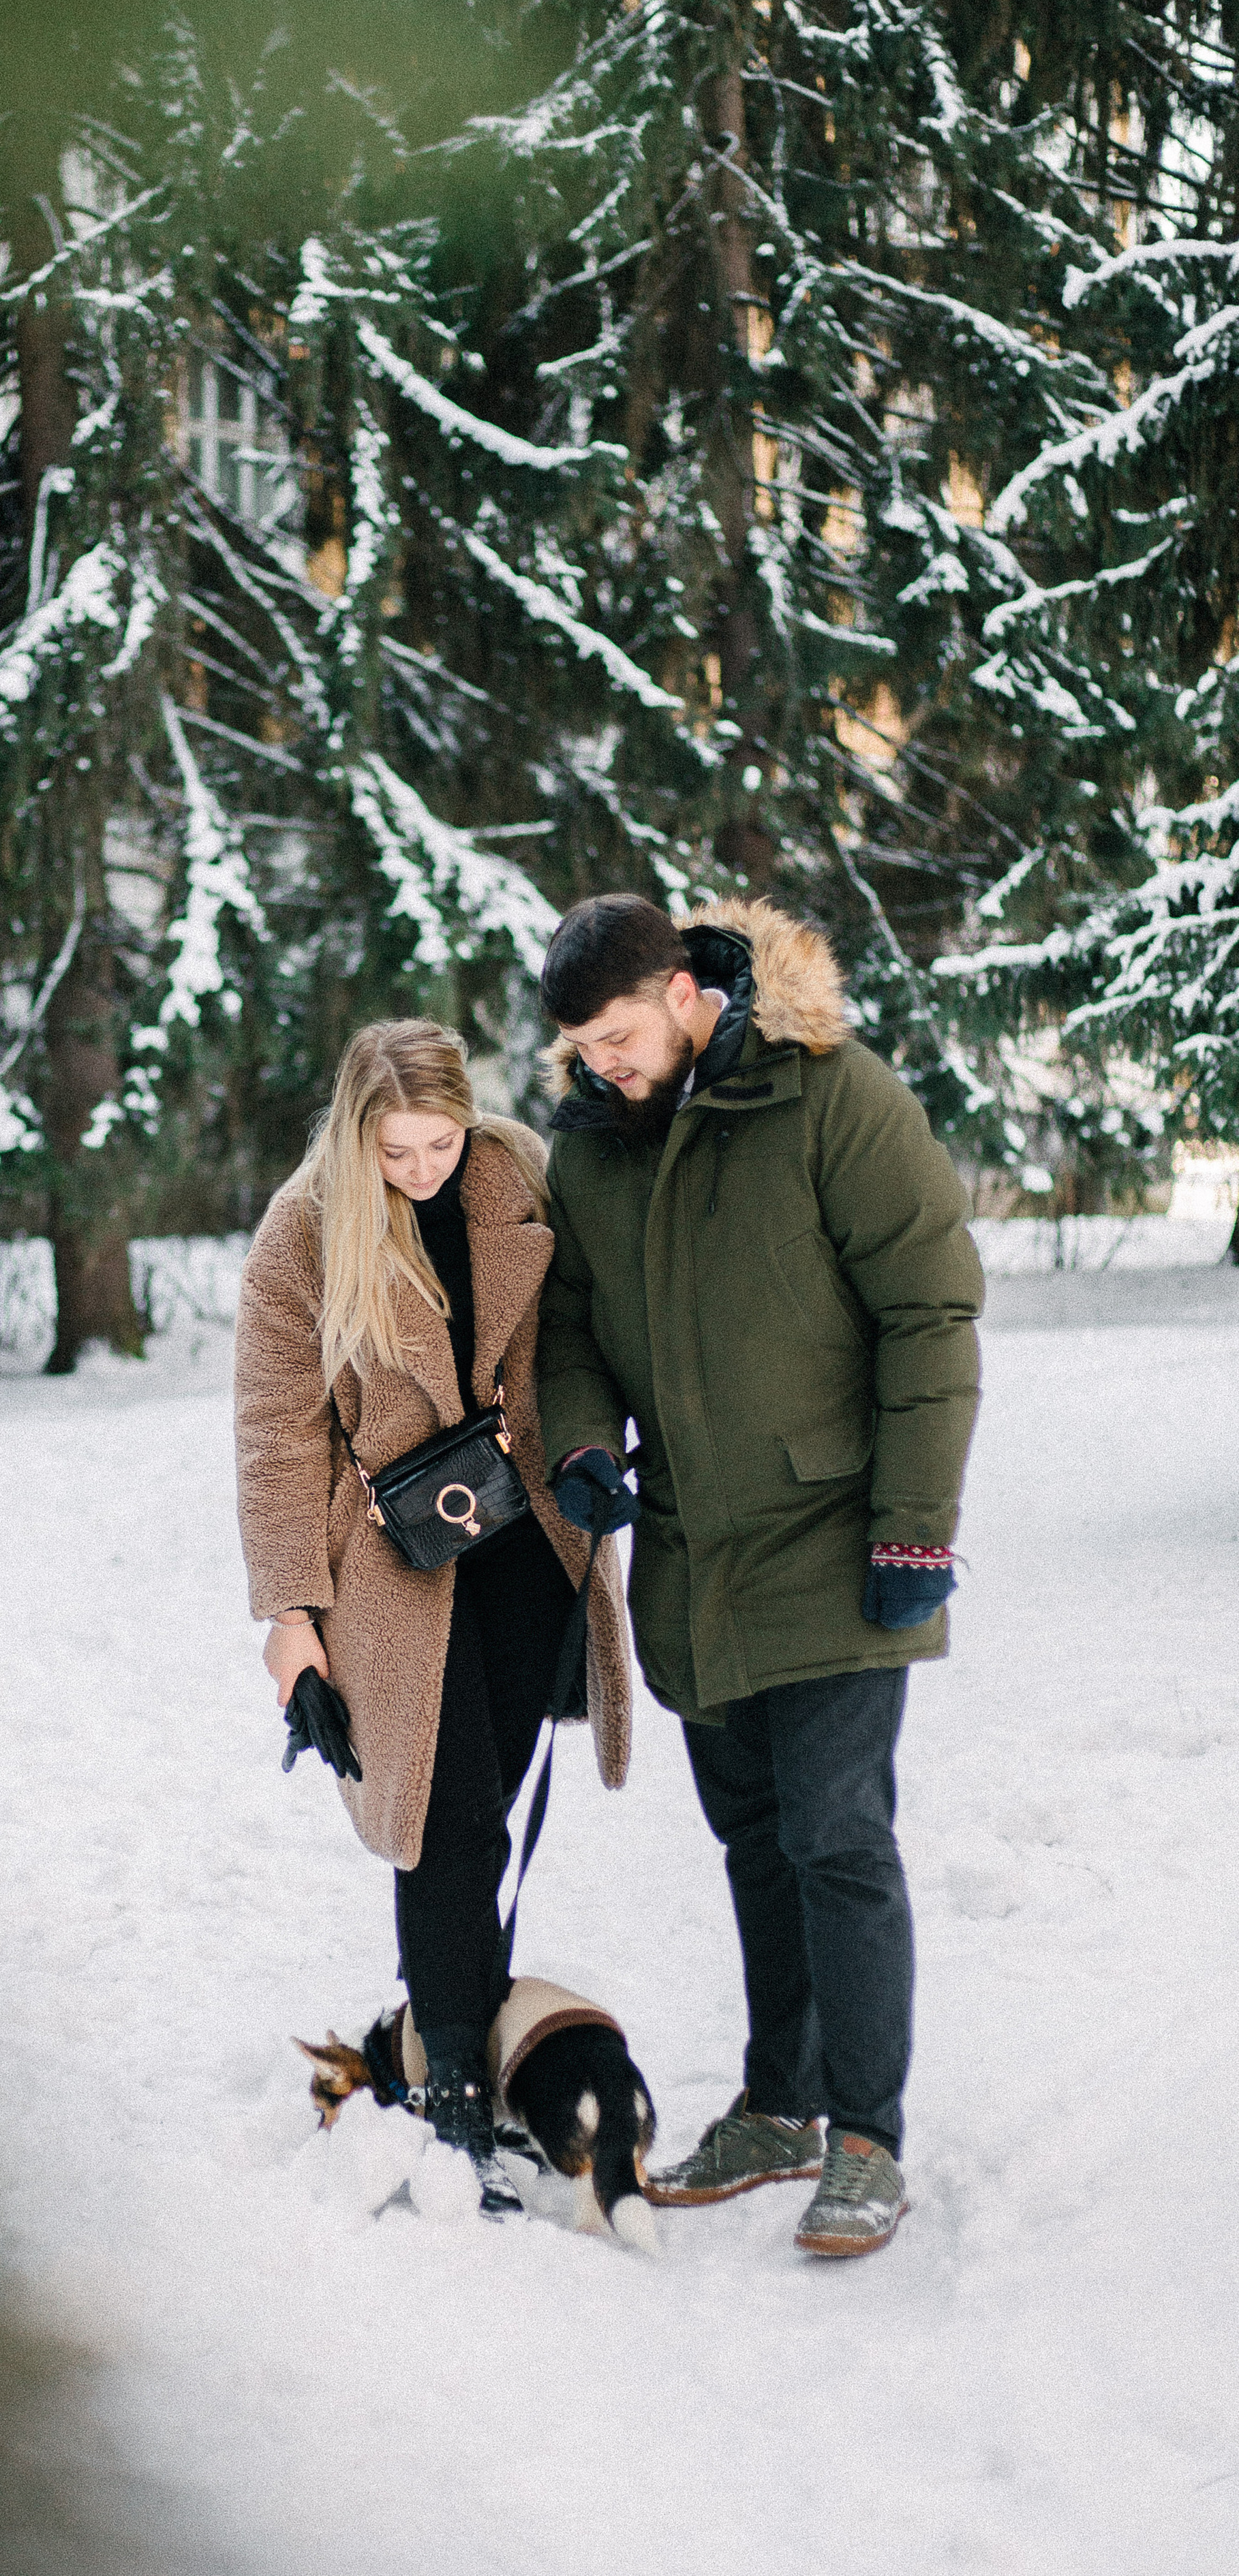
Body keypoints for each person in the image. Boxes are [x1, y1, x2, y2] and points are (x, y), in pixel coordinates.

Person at [535, 893, 981, 2257]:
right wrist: (576, 1449)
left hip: (838, 1546)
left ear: (682, 991)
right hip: (689, 1562)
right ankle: (779, 2106)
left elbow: (929, 1310)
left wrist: (913, 1526)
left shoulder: (832, 1099)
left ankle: (865, 2138)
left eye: (617, 1036)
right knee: (752, 1848)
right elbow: (566, 1330)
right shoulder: (594, 1151)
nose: (602, 1066)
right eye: (581, 1049)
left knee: (835, 1840)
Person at [234, 1019, 632, 2215]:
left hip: (526, 1550)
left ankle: (443, 2030)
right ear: (355, 1139)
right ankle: (453, 2083)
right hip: (394, 1575)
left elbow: (582, 1345)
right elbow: (277, 1440)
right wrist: (291, 1617)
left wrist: (594, 1454)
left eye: (437, 1141)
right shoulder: (303, 1240)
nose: (420, 1169)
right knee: (441, 1820)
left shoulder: (520, 1187)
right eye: (393, 1152)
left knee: (487, 1808)